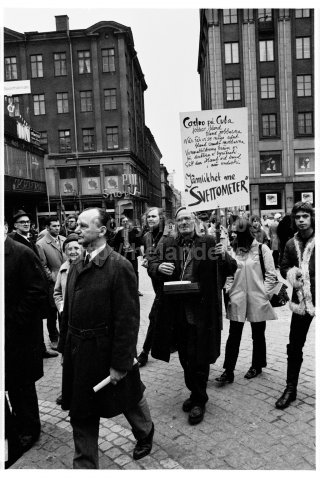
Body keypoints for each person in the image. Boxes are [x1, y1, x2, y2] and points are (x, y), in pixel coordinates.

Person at [57, 208, 154, 468]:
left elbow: (128, 319)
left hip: (108, 352)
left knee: (128, 399)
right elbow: (69, 311)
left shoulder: (119, 266)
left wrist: (121, 363)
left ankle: (145, 432)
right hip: (80, 354)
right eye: (77, 224)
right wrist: (65, 349)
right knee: (82, 413)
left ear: (101, 231)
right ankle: (86, 466)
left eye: (83, 225)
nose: (76, 229)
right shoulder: (76, 264)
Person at [147, 207, 237, 425]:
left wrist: (222, 256)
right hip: (176, 310)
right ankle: (195, 391)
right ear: (175, 223)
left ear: (195, 221)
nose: (184, 222)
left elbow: (231, 267)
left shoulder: (208, 242)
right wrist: (159, 267)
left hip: (201, 311)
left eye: (187, 218)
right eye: (180, 220)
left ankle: (199, 399)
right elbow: (150, 263)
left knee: (200, 356)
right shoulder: (169, 244)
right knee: (185, 357)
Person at [215, 218, 283, 384]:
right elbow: (229, 274)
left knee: (258, 334)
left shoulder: (262, 249)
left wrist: (265, 294)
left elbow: (271, 274)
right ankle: (228, 370)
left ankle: (257, 365)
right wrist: (228, 290)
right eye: (234, 234)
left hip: (257, 297)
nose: (236, 237)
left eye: (239, 234)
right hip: (237, 296)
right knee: (234, 335)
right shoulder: (233, 251)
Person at [5, 222, 48, 454]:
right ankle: (14, 425)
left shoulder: (21, 253)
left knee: (22, 386)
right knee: (9, 382)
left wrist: (12, 320)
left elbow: (37, 291)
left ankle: (30, 430)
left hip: (18, 335)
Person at [275, 202, 315, 409]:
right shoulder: (291, 243)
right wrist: (291, 274)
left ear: (311, 218)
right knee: (294, 345)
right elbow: (283, 267)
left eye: (305, 216)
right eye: (298, 217)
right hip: (301, 301)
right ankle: (291, 388)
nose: (301, 220)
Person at [9, 211, 57, 359]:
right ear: (15, 225)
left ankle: (41, 349)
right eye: (22, 222)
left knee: (36, 322)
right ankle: (36, 351)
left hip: (36, 288)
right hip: (27, 289)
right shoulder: (14, 241)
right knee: (30, 322)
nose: (26, 223)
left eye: (28, 221)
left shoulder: (29, 239)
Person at [53, 233, 82, 405]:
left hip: (81, 320)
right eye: (69, 249)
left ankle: (79, 393)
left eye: (76, 248)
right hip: (66, 320)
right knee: (66, 357)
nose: (73, 251)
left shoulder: (87, 266)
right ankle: (67, 392)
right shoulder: (63, 269)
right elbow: (57, 292)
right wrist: (62, 307)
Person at [137, 207, 166, 367]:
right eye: (148, 217)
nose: (150, 219)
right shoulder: (147, 236)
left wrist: (157, 264)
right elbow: (149, 255)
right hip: (155, 282)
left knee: (154, 316)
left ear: (161, 218)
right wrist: (148, 261)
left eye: (154, 216)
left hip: (166, 284)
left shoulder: (169, 236)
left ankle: (144, 352)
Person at [36, 216, 66, 350]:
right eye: (54, 226)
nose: (57, 228)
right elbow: (42, 265)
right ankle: (54, 338)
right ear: (47, 228)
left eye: (58, 225)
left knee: (64, 311)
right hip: (52, 283)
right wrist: (52, 278)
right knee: (52, 313)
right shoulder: (41, 244)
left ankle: (64, 336)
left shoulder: (64, 240)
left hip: (67, 279)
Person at [110, 216, 143, 295]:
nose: (125, 223)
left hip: (132, 254)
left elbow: (139, 241)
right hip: (123, 255)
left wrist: (137, 251)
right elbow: (114, 243)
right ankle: (124, 289)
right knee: (123, 271)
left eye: (126, 221)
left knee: (134, 271)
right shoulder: (119, 232)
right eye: (123, 221)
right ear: (121, 223)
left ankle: (136, 290)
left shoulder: (134, 231)